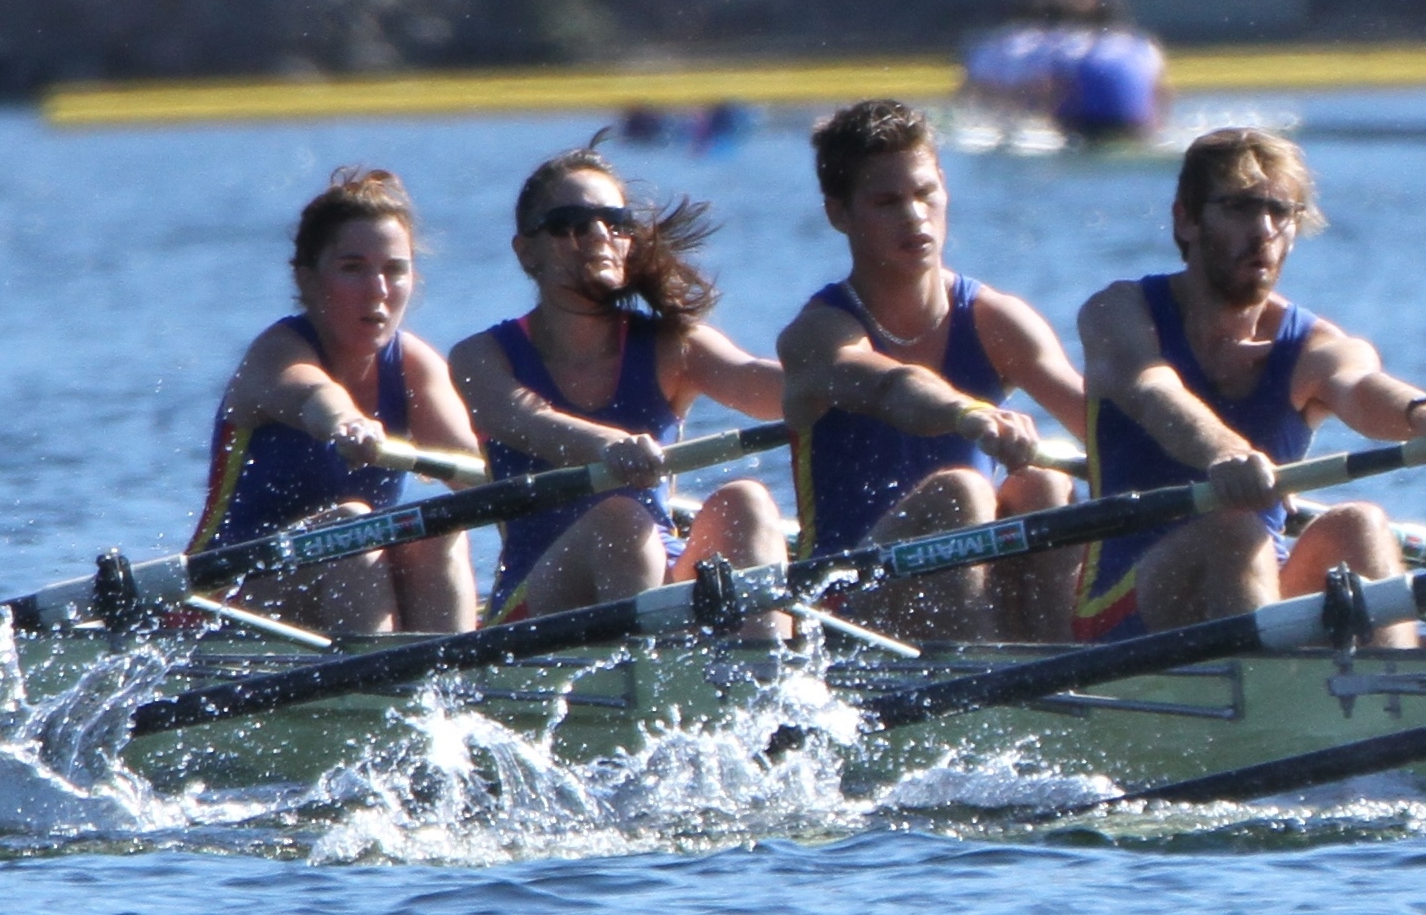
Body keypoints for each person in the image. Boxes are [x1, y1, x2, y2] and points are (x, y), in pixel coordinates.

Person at [1065, 128, 1426, 643]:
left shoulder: (1314, 346)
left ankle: (1391, 695)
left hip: (1262, 583)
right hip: (1122, 608)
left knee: (1360, 523)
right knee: (1233, 530)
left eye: (1281, 212)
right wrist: (1224, 451)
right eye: (1239, 208)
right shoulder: (1119, 313)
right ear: (1186, 219)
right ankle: (1280, 699)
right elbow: (1152, 390)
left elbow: (1362, 386)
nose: (1263, 231)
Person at [774, 99, 1096, 639]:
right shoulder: (818, 335)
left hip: (954, 593)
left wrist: (1219, 464)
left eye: (926, 194)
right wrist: (969, 413)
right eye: (887, 201)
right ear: (839, 214)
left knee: (1042, 482)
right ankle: (982, 679)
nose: (915, 216)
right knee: (964, 491)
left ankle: (1063, 674)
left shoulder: (997, 320)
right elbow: (890, 389)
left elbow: (1102, 423)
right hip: (843, 612)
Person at [448, 142, 791, 623]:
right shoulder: (482, 356)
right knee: (621, 521)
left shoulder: (674, 345)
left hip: (660, 573)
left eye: (615, 222)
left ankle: (767, 668)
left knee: (747, 502)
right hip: (536, 605)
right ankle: (662, 676)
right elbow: (526, 419)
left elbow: (762, 385)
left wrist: (860, 379)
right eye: (571, 223)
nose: (598, 235)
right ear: (527, 252)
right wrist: (611, 444)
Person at [195, 169, 486, 634]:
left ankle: (449, 692)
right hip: (221, 598)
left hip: (346, 586)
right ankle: (379, 696)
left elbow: (476, 470)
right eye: (354, 268)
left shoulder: (416, 365)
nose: (379, 290)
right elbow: (314, 395)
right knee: (353, 526)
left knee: (440, 526)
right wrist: (348, 423)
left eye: (395, 269)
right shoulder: (276, 353)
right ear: (308, 280)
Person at [1055, 0, 1167, 146]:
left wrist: (1058, 124)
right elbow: (1162, 91)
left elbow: (1059, 88)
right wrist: (1156, 126)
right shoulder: (1144, 45)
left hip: (1092, 127)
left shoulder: (1078, 47)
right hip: (1134, 125)